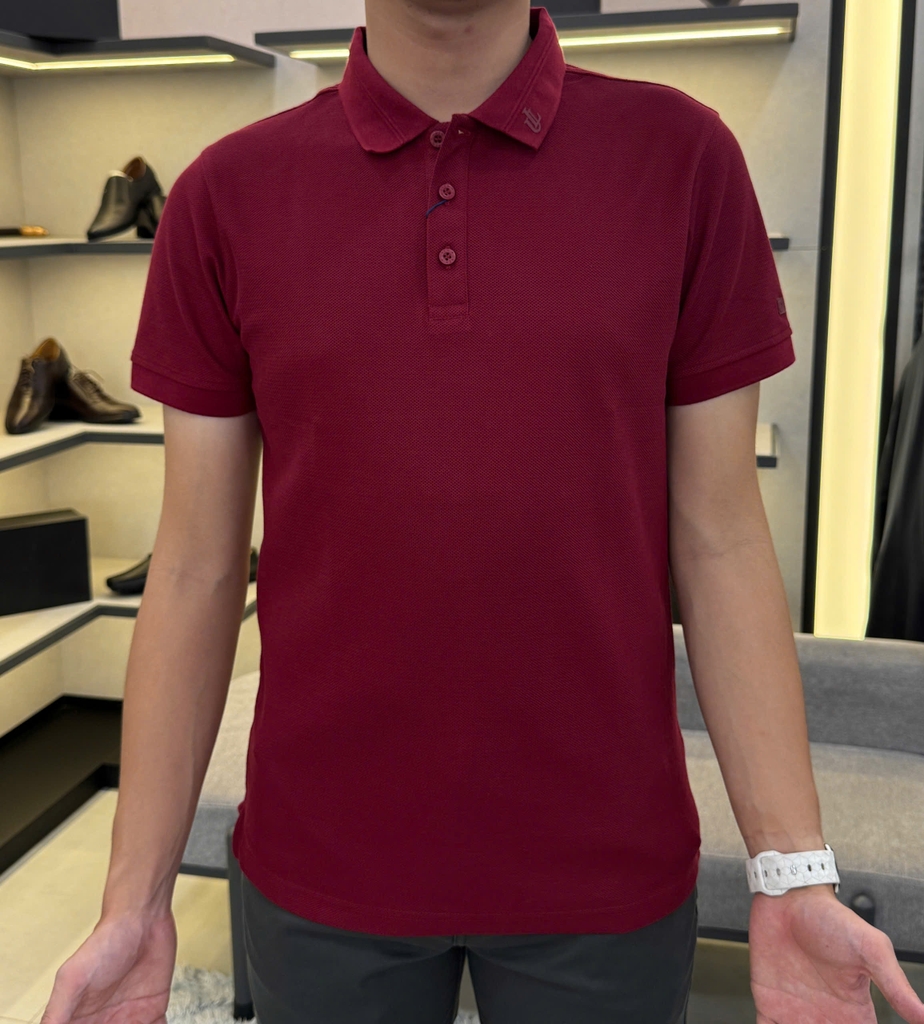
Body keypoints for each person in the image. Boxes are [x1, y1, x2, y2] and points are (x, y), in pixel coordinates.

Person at [38, 2, 924, 1023]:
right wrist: (134, 897)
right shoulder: (225, 196)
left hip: (607, 863)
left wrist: (793, 870)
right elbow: (195, 565)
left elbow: (721, 537)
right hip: (321, 863)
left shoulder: (682, 160)